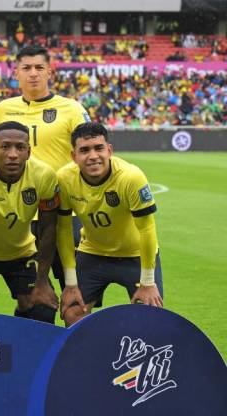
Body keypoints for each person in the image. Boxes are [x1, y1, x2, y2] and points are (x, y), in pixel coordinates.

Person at [0, 45, 91, 290]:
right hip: (20, 212)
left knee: (74, 286)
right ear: (16, 73)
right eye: (27, 68)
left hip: (65, 212)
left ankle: (75, 329)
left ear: (50, 73)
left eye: (39, 68)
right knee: (30, 292)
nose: (33, 73)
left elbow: (90, 147)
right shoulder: (3, 109)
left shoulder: (72, 109)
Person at [57, 123, 164, 327]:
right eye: (84, 150)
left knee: (150, 316)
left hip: (135, 255)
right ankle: (89, 358)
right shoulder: (64, 178)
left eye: (98, 148)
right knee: (72, 312)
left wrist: (148, 282)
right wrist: (70, 283)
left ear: (109, 150)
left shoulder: (130, 177)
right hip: (92, 253)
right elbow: (62, 229)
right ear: (73, 156)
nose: (93, 156)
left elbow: (147, 229)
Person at [0, 121, 59, 323]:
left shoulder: (44, 175)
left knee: (41, 308)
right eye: (5, 146)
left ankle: (24, 347)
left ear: (29, 152)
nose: (13, 154)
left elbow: (49, 228)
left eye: (20, 147)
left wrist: (42, 281)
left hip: (21, 253)